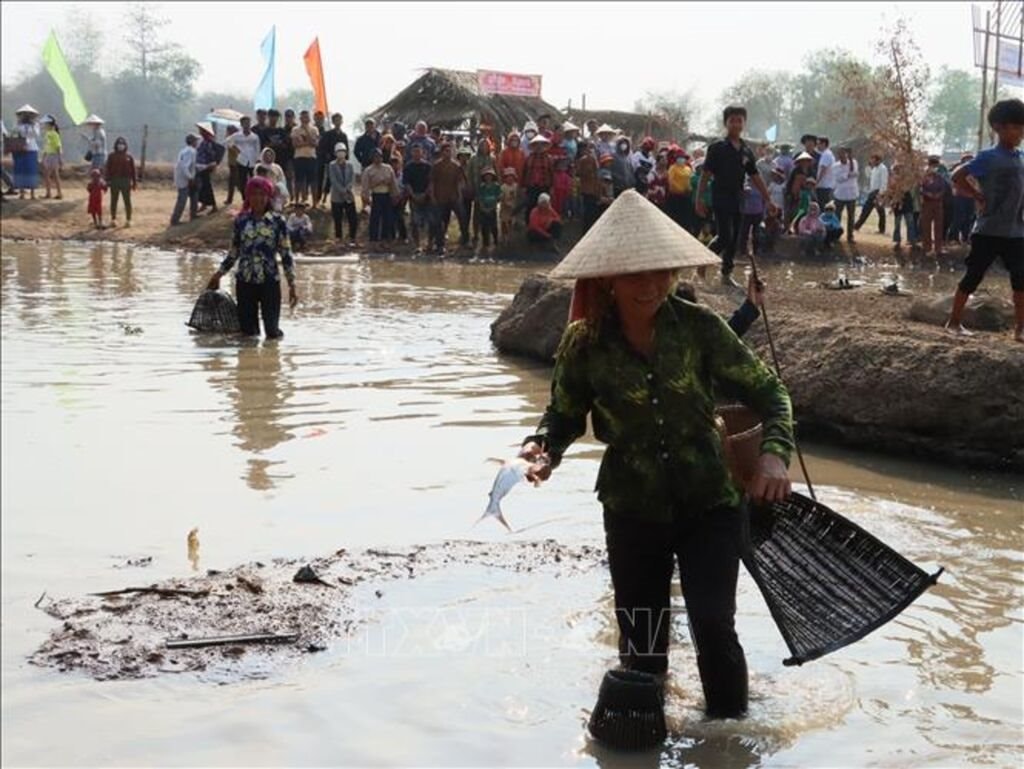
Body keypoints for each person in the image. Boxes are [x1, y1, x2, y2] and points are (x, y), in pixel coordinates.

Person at [519, 190, 793, 720]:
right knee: (642, 644)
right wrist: (542, 450)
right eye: (634, 275)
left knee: (714, 626)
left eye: (660, 273)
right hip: (631, 507)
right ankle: (643, 738)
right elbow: (564, 414)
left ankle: (728, 743)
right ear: (609, 280)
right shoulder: (584, 343)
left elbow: (771, 394)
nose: (648, 286)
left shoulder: (700, 329)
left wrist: (774, 456)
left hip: (709, 500)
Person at [945, 98, 1024, 342]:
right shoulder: (989, 156)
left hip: (1017, 231)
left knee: (1021, 280)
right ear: (998, 128)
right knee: (974, 275)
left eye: (1022, 128)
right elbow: (957, 175)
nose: (1020, 132)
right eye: (1015, 127)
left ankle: (1020, 329)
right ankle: (953, 321)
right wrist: (976, 194)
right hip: (989, 229)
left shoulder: (1020, 157)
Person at [207, 176, 299, 339]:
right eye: (254, 194)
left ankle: (274, 359)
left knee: (272, 332)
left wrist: (292, 284)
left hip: (269, 282)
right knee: (249, 334)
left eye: (262, 194)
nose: (258, 198)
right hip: (245, 282)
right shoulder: (241, 221)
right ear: (248, 197)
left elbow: (286, 254)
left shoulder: (278, 222)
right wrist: (218, 274)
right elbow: (233, 253)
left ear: (268, 197)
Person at [696, 106, 777, 286]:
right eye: (732, 120)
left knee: (735, 238)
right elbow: (706, 175)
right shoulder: (717, 148)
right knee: (724, 236)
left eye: (739, 120)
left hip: (739, 198)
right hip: (720, 196)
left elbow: (756, 177)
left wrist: (768, 199)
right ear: (726, 123)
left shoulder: (747, 151)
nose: (736, 124)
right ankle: (702, 264)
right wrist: (699, 199)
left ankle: (726, 274)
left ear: (744, 124)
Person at [360, 147, 399, 247]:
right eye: (376, 157)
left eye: (380, 156)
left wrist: (395, 195)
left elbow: (393, 183)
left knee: (387, 218)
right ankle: (374, 240)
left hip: (386, 195)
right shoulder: (368, 170)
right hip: (376, 195)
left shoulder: (388, 168)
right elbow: (365, 186)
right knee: (375, 218)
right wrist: (366, 198)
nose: (378, 159)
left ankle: (385, 239)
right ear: (372, 158)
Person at [430, 142, 462, 255]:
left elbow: (458, 182)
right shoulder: (436, 166)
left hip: (452, 197)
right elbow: (432, 182)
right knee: (439, 222)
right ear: (442, 152)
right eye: (445, 151)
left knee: (461, 217)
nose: (448, 153)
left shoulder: (456, 166)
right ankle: (440, 245)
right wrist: (433, 196)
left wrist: (459, 196)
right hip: (439, 197)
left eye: (449, 151)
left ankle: (464, 241)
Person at [403, 142, 433, 252]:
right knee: (415, 222)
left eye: (418, 151)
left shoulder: (428, 166)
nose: (417, 153)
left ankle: (430, 244)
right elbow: (406, 183)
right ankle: (417, 245)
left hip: (427, 197)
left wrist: (426, 194)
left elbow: (431, 182)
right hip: (414, 196)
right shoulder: (408, 167)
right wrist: (413, 195)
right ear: (411, 153)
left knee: (430, 222)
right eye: (414, 151)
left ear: (422, 153)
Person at [328, 143, 358, 246]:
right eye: (339, 151)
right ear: (335, 153)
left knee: (352, 218)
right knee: (338, 218)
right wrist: (342, 190)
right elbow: (333, 180)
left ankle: (352, 238)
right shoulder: (332, 165)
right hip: (337, 196)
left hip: (349, 196)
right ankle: (338, 238)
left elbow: (352, 179)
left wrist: (347, 189)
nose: (341, 153)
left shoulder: (350, 165)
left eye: (343, 151)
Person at [316, 113, 348, 208]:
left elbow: (346, 149)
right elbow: (322, 147)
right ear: (333, 122)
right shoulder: (328, 134)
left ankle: (331, 198)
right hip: (328, 160)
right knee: (324, 178)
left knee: (336, 179)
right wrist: (327, 155)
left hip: (340, 160)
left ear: (342, 121)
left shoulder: (343, 135)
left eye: (339, 120)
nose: (338, 122)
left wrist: (345, 159)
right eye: (336, 120)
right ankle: (320, 198)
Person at [104, 136, 137, 228]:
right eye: (119, 144)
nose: (120, 146)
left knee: (127, 201)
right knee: (114, 201)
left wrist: (134, 183)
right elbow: (108, 169)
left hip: (126, 181)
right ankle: (113, 219)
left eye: (122, 144)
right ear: (116, 145)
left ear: (125, 145)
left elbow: (133, 171)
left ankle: (128, 220)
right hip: (114, 180)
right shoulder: (111, 156)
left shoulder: (129, 157)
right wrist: (107, 181)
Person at [227, 115, 260, 205]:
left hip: (252, 160)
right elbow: (228, 141)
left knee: (254, 180)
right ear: (241, 124)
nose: (247, 125)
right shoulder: (237, 136)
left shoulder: (254, 137)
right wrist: (235, 149)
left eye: (248, 123)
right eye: (245, 123)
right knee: (242, 181)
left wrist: (258, 159)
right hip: (241, 160)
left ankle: (254, 198)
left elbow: (257, 148)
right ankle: (245, 199)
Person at [521, 134, 554, 226]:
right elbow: (524, 173)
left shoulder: (549, 159)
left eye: (541, 145)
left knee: (544, 206)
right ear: (533, 146)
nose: (539, 147)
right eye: (536, 145)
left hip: (544, 186)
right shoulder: (529, 158)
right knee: (530, 206)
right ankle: (530, 225)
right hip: (531, 186)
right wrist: (523, 186)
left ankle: (544, 226)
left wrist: (552, 187)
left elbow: (552, 173)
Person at [920, 156, 948, 257]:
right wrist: (928, 194)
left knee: (939, 226)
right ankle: (927, 248)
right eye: (933, 166)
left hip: (938, 203)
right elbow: (921, 189)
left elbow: (943, 188)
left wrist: (938, 195)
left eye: (936, 166)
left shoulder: (939, 176)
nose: (935, 168)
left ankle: (938, 248)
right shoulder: (924, 176)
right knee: (926, 225)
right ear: (930, 165)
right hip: (927, 203)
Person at [854, 153, 889, 234]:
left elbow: (884, 182)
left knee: (874, 210)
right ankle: (857, 226)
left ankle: (857, 226)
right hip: (872, 192)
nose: (871, 161)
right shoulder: (874, 169)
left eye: (873, 159)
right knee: (872, 210)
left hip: (878, 192)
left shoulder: (883, 169)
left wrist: (880, 194)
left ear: (878, 160)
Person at [11, 105, 41, 199]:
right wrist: (19, 125)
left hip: (32, 148)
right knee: (21, 170)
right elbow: (13, 132)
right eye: (24, 114)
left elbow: (36, 134)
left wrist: (32, 125)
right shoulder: (18, 125)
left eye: (28, 115)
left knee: (31, 170)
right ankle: (22, 193)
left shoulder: (35, 125)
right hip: (20, 148)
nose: (26, 116)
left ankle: (32, 193)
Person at [290, 110, 319, 205]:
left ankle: (314, 202)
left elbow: (315, 144)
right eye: (303, 117)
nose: (304, 119)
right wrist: (307, 143)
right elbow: (295, 144)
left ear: (309, 118)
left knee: (313, 181)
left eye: (306, 117)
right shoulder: (295, 130)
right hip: (299, 157)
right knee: (298, 180)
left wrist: (306, 131)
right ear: (300, 118)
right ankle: (297, 200)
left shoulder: (314, 129)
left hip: (311, 157)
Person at [170, 134, 199, 225]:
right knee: (182, 198)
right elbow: (185, 167)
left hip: (182, 176)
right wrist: (190, 178)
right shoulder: (191, 151)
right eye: (196, 141)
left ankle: (193, 213)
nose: (197, 143)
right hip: (184, 178)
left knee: (194, 194)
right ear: (193, 142)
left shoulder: (184, 150)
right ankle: (175, 219)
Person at [195, 123, 223, 214]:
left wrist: (212, 164)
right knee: (202, 186)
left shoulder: (208, 142)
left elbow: (211, 155)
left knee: (207, 186)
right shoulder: (203, 141)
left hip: (206, 167)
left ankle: (213, 205)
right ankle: (204, 204)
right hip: (201, 166)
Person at [948, 153, 977, 244]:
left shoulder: (974, 171)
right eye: (966, 159)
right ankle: (953, 237)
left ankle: (965, 237)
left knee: (969, 218)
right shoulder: (959, 171)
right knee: (959, 218)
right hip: (960, 197)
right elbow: (954, 183)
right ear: (963, 160)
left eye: (970, 159)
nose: (968, 161)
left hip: (971, 198)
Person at [833, 146, 859, 243]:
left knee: (851, 216)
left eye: (844, 153)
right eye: (840, 154)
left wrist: (851, 159)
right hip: (840, 194)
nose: (843, 155)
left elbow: (854, 173)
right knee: (837, 215)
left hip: (851, 194)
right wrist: (848, 175)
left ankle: (850, 236)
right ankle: (836, 234)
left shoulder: (854, 162)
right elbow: (839, 179)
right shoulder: (835, 166)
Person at [665, 149, 694, 231]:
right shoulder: (672, 168)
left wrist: (689, 189)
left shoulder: (688, 169)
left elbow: (690, 180)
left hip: (686, 197)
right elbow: (671, 181)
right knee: (676, 218)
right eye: (679, 157)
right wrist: (681, 190)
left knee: (686, 219)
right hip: (675, 197)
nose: (681, 159)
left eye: (683, 158)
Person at [737, 177, 765, 257]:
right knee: (744, 232)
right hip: (747, 213)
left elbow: (763, 201)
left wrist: (763, 211)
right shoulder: (745, 188)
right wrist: (743, 193)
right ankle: (742, 250)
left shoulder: (761, 188)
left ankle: (756, 250)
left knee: (757, 232)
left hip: (758, 213)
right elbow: (740, 198)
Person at [476, 167, 501, 251]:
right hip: (483, 209)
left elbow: (498, 198)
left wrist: (492, 207)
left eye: (490, 175)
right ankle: (485, 243)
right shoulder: (482, 187)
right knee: (484, 226)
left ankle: (496, 241)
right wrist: (483, 208)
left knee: (494, 226)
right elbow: (480, 199)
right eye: (486, 175)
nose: (488, 177)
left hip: (492, 208)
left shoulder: (496, 186)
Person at [256, 147, 288, 212]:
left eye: (270, 155)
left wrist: (278, 187)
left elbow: (282, 179)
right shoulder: (258, 166)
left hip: (276, 188)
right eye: (266, 155)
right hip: (263, 188)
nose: (268, 157)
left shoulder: (277, 167)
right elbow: (256, 179)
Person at [39, 114, 63, 200]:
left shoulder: (54, 134)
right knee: (50, 175)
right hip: (49, 156)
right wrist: (43, 157)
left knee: (51, 175)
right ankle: (53, 193)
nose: (44, 125)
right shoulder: (48, 134)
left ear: (49, 124)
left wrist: (60, 158)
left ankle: (55, 193)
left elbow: (58, 147)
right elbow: (46, 147)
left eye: (45, 124)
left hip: (53, 156)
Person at [499, 167, 519, 245]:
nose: (510, 179)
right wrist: (505, 204)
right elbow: (501, 198)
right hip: (505, 208)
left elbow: (518, 197)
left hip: (513, 208)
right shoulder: (503, 187)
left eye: (511, 177)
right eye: (508, 177)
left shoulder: (516, 186)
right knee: (504, 222)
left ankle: (509, 236)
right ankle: (504, 236)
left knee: (511, 222)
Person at [815, 136, 836, 207]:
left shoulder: (826, 155)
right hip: (826, 185)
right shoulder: (827, 154)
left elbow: (823, 170)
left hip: (824, 186)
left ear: (823, 144)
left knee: (822, 206)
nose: (817, 146)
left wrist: (816, 182)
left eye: (818, 144)